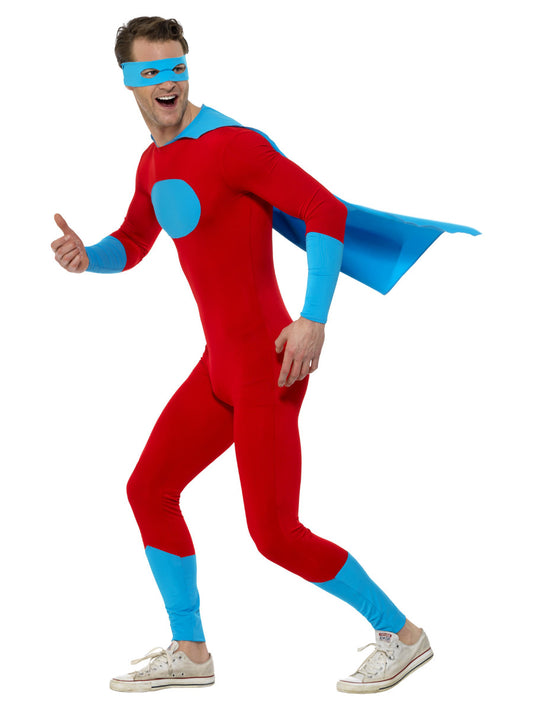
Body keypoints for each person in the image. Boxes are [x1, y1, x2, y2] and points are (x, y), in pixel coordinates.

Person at [51, 16, 434, 694]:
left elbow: (323, 211)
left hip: (268, 365)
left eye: (175, 67)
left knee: (275, 534)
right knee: (148, 489)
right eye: (149, 71)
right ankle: (191, 650)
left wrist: (314, 318)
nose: (166, 82)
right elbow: (133, 241)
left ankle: (402, 635)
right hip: (219, 367)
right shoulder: (152, 162)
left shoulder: (230, 146)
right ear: (127, 81)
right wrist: (89, 258)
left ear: (186, 69)